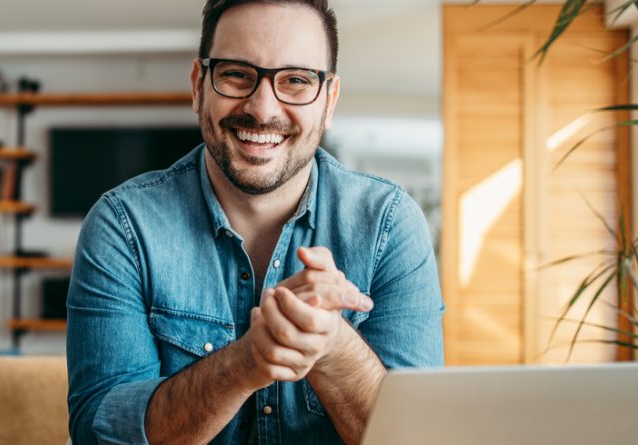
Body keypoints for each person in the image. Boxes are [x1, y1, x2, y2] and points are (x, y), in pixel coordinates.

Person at [65, 0, 444, 443]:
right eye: (236, 74)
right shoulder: (121, 227)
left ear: (329, 100)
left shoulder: (390, 225)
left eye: (297, 80)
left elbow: (421, 436)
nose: (262, 109)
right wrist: (246, 362)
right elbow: (100, 436)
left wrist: (334, 348)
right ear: (198, 86)